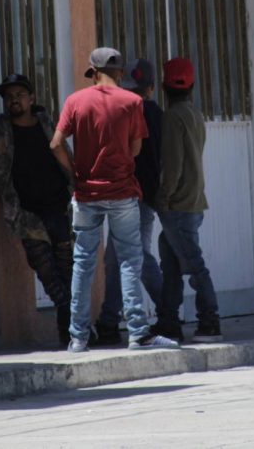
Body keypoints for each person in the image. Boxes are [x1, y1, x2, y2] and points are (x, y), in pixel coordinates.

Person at [50, 47, 179, 353]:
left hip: (86, 194)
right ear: (121, 73)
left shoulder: (75, 102)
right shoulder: (133, 102)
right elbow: (136, 148)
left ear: (93, 73)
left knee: (83, 263)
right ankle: (137, 331)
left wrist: (74, 172)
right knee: (130, 261)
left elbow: (55, 143)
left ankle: (78, 337)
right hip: (122, 193)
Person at [0, 74, 74, 345]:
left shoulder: (48, 124)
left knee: (67, 271)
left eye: (19, 95)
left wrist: (76, 188)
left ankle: (70, 329)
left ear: (31, 98)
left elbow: (65, 156)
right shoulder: (1, 132)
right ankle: (73, 324)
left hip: (59, 207)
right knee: (46, 271)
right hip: (27, 214)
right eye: (9, 96)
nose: (14, 100)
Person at [94, 58, 165, 345]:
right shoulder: (155, 113)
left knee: (128, 256)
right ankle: (112, 319)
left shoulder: (128, 111)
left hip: (132, 195)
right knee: (126, 255)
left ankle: (114, 319)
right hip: (142, 196)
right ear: (151, 87)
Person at [154, 57, 222, 343]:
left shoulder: (171, 117)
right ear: (192, 85)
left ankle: (209, 320)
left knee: (193, 264)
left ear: (163, 86)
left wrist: (163, 197)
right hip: (193, 202)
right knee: (170, 263)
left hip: (178, 205)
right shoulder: (195, 114)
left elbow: (173, 165)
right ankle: (168, 322)